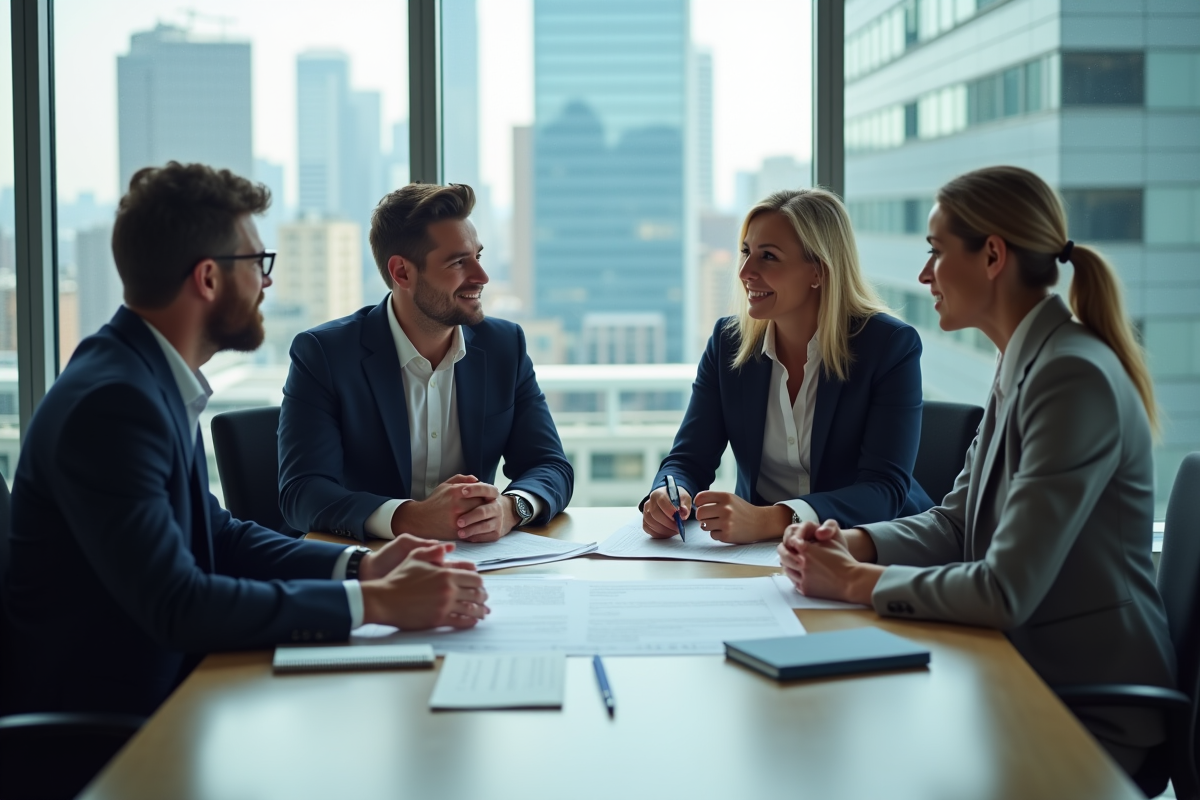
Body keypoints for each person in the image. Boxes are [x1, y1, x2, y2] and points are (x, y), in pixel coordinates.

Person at [0, 163, 489, 720]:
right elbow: (179, 603)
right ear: (208, 278)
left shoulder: (142, 377)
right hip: (110, 727)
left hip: (166, 695)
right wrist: (376, 602)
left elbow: (219, 537)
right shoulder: (114, 404)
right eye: (258, 263)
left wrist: (361, 569)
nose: (267, 281)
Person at [779, 166, 1175, 774]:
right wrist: (850, 542)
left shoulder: (1072, 377)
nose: (924, 274)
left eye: (936, 252)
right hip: (1018, 667)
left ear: (992, 255)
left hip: (1083, 705)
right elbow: (956, 523)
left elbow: (1003, 589)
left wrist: (853, 581)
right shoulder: (1024, 362)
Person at [278, 183, 572, 544]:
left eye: (478, 256)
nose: (481, 277)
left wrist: (512, 509)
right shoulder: (324, 355)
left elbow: (550, 466)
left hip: (480, 567)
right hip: (370, 570)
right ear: (402, 272)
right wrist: (409, 518)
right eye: (458, 262)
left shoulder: (504, 346)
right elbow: (302, 493)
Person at [642, 188, 933, 543]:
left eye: (768, 257)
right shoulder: (727, 343)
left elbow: (883, 490)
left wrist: (772, 519)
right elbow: (688, 459)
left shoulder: (888, 346)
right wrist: (670, 494)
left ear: (818, 271)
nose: (746, 271)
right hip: (758, 552)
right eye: (746, 252)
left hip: (869, 546)